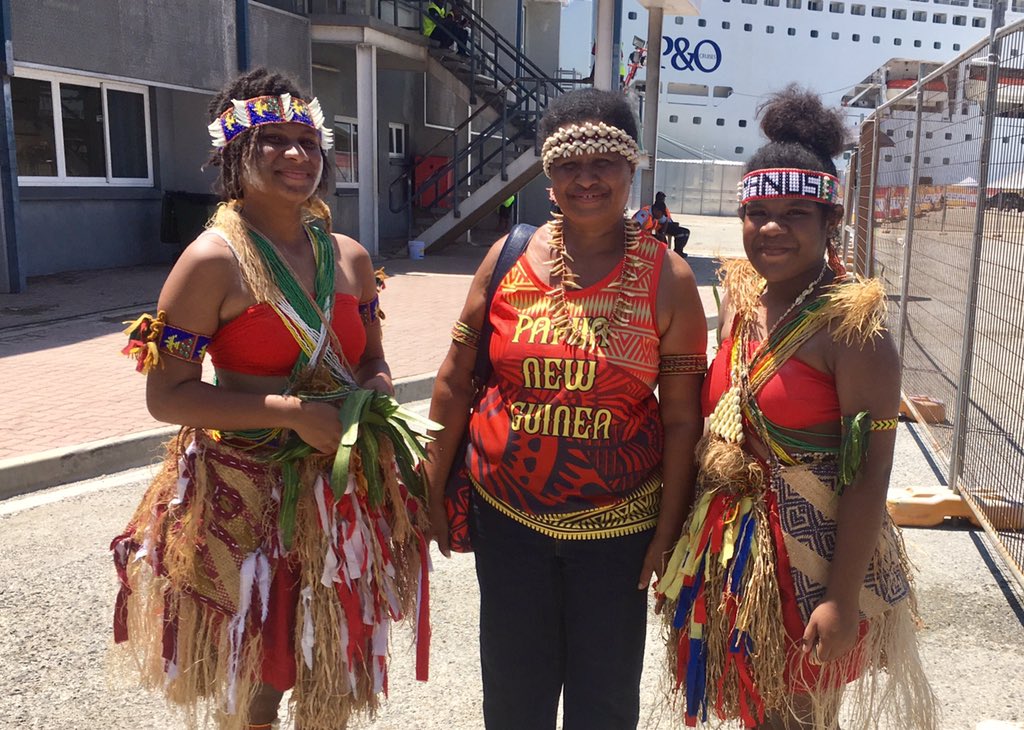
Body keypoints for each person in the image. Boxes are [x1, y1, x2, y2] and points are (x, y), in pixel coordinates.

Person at [111, 68, 431, 730]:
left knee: (333, 674)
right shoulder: (212, 260)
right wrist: (289, 415)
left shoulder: (348, 256)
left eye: (308, 141)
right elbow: (167, 395)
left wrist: (375, 387)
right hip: (245, 500)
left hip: (339, 493)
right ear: (234, 153)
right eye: (274, 141)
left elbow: (371, 356)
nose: (297, 155)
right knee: (255, 679)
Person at [425, 88, 708, 729]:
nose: (586, 179)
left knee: (604, 701)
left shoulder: (670, 279)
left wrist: (668, 532)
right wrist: (431, 490)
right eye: (567, 164)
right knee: (513, 691)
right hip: (507, 520)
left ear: (631, 167)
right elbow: (454, 381)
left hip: (619, 533)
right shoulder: (505, 259)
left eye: (603, 161)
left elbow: (682, 419)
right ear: (548, 174)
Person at [657, 86, 936, 729]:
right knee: (753, 709)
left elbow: (870, 477)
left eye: (796, 214)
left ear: (830, 221)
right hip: (731, 547)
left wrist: (840, 599)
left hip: (809, 562)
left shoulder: (854, 331)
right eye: (758, 213)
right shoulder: (741, 295)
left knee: (802, 715)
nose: (772, 228)